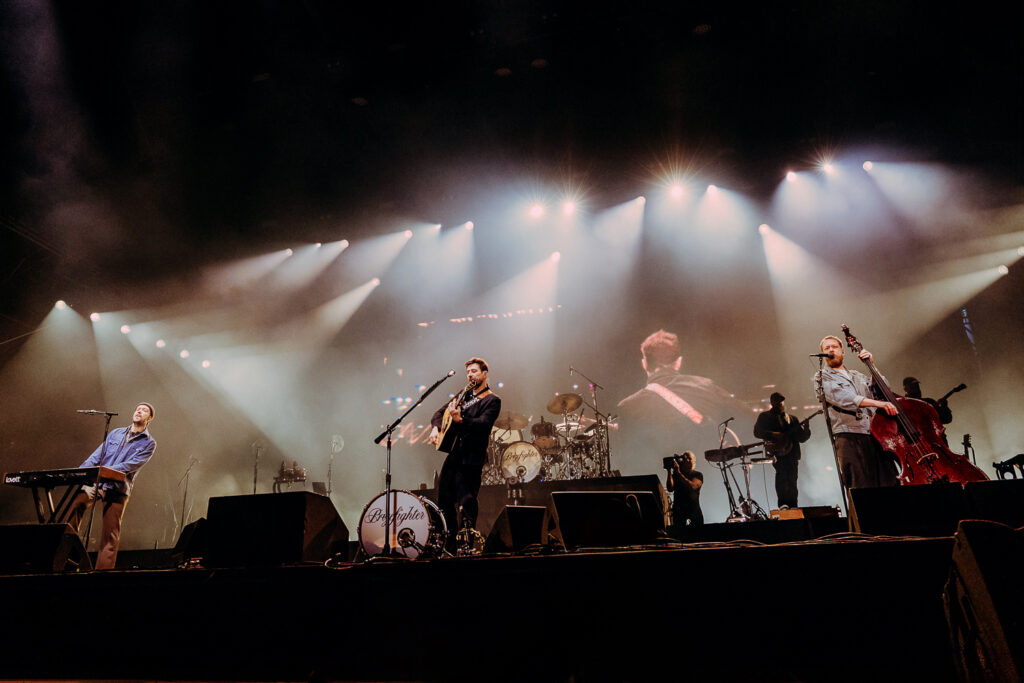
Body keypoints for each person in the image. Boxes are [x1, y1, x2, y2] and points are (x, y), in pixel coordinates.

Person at [67, 402, 157, 569]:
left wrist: (106, 471)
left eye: (144, 410)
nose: (139, 411)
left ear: (149, 418)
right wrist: (80, 472)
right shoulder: (116, 433)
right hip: (97, 482)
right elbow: (96, 456)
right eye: (137, 408)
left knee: (110, 534)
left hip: (118, 488)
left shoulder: (149, 443)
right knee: (74, 508)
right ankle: (68, 559)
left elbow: (131, 465)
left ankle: (103, 573)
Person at [429, 358, 501, 544]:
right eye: (468, 372)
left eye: (474, 371)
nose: (470, 375)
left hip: (472, 457)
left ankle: (467, 543)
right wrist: (436, 428)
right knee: (444, 499)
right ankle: (450, 544)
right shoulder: (464, 395)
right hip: (455, 454)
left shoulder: (492, 400)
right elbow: (439, 413)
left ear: (485, 374)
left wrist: (461, 420)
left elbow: (484, 424)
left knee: (466, 499)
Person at [813, 336, 899, 491]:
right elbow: (844, 398)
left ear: (843, 351)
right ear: (823, 354)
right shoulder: (822, 376)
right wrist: (877, 404)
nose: (831, 350)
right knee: (860, 487)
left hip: (874, 435)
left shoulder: (857, 375)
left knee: (890, 482)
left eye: (834, 347)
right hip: (849, 436)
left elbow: (884, 390)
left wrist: (872, 366)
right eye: (827, 348)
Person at [753, 392, 810, 509]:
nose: (779, 403)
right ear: (772, 402)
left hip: (792, 454)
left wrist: (806, 429)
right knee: (782, 479)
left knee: (792, 481)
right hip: (777, 454)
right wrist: (773, 434)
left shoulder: (792, 419)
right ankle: (783, 506)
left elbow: (802, 438)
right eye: (777, 401)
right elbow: (757, 432)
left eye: (781, 401)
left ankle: (793, 507)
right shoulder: (765, 417)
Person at [665, 451, 703, 527]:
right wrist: (669, 471)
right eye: (685, 458)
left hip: (693, 510)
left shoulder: (697, 474)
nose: (687, 460)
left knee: (698, 532)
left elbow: (693, 486)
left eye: (689, 458)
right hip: (679, 511)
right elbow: (670, 488)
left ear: (694, 461)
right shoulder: (676, 475)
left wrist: (679, 473)